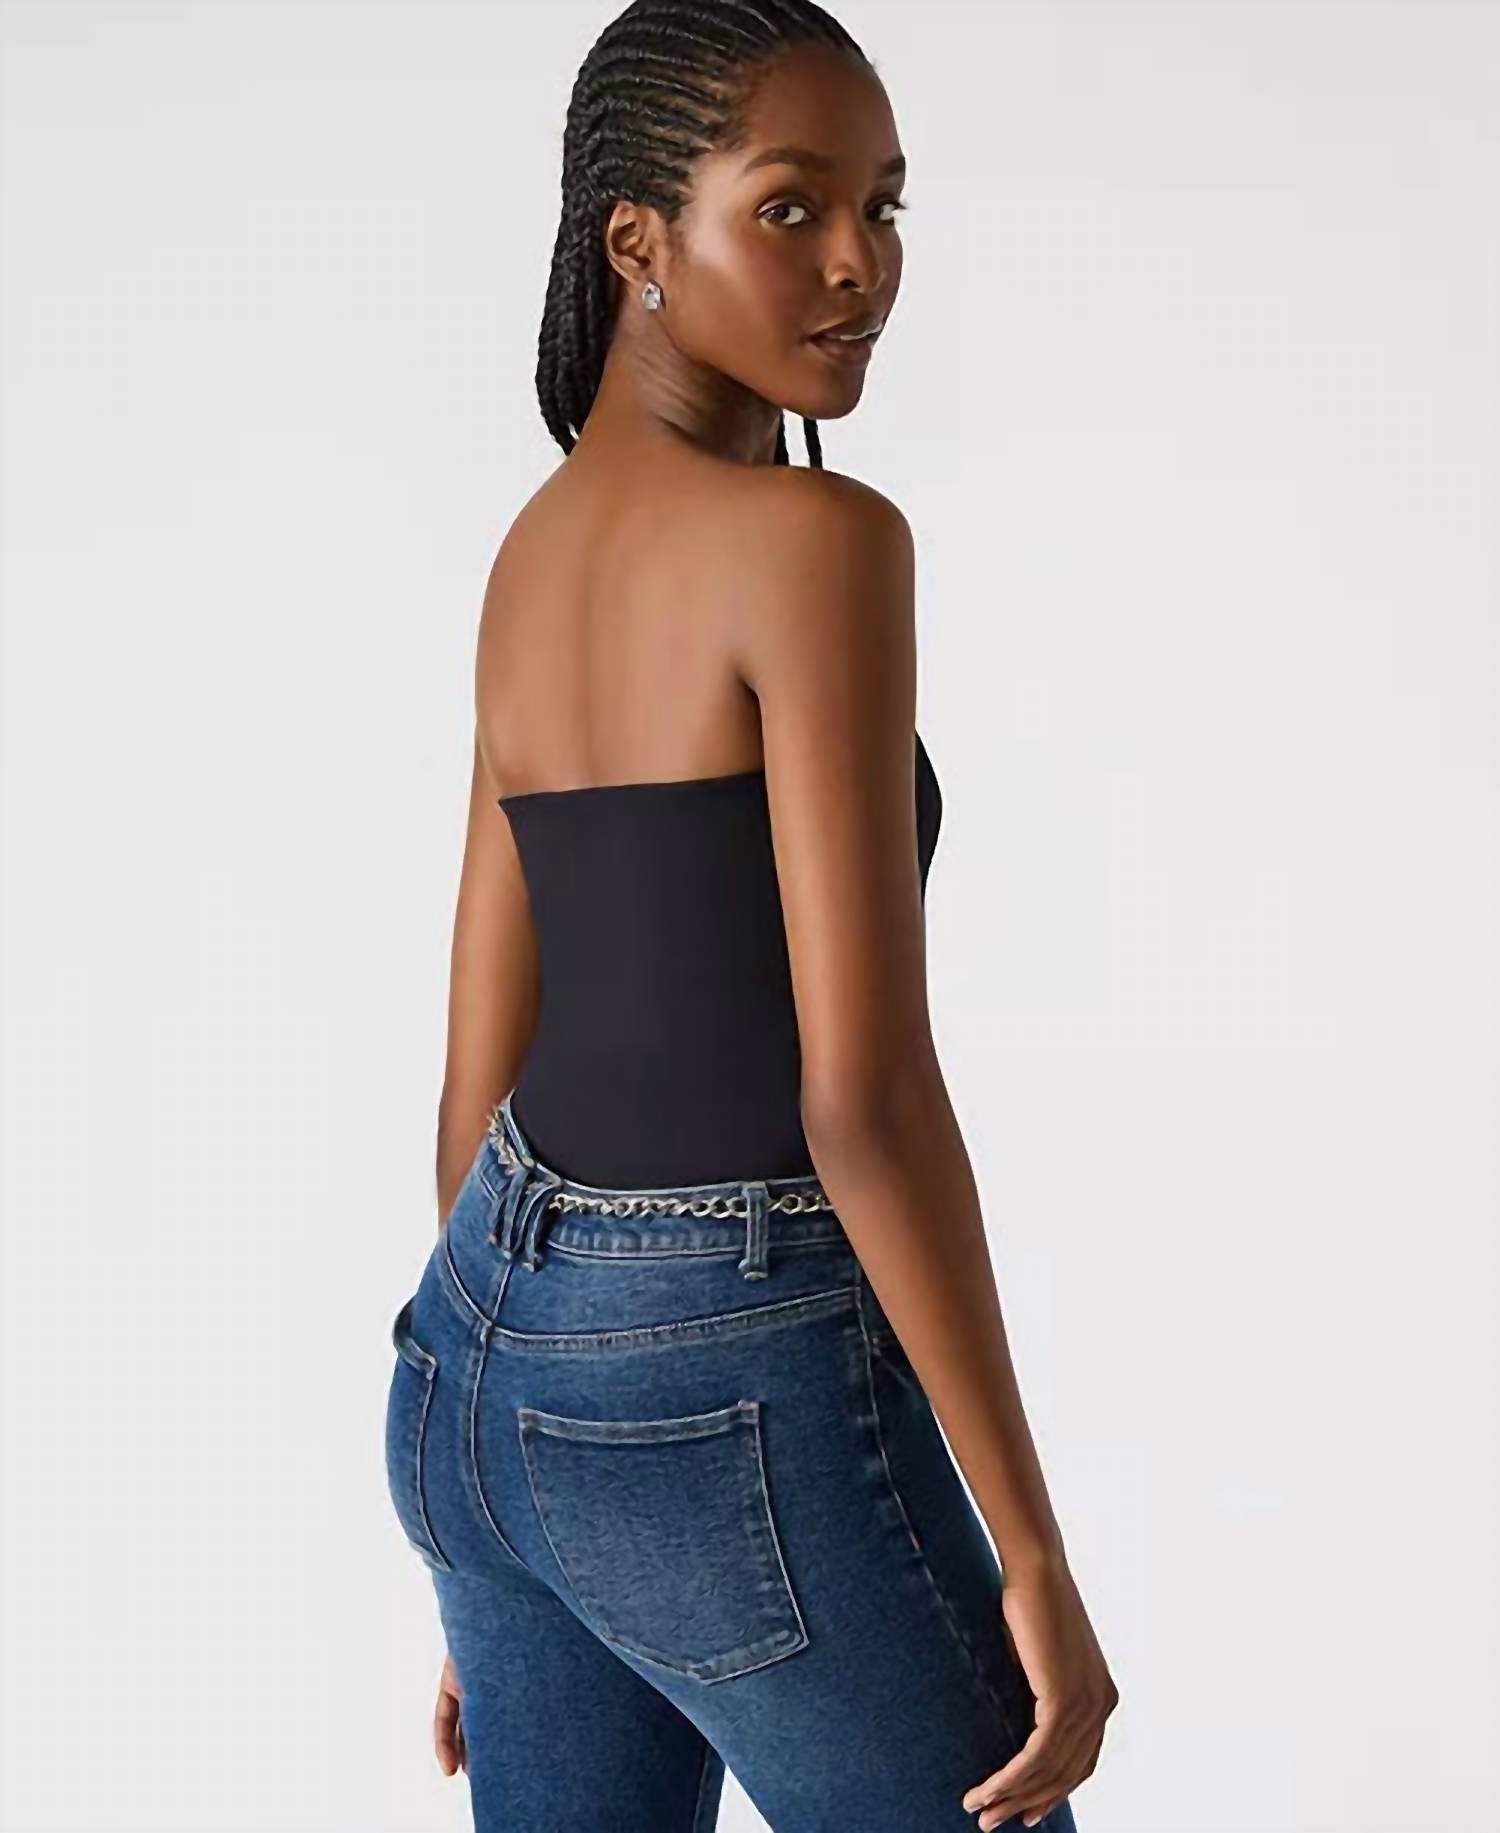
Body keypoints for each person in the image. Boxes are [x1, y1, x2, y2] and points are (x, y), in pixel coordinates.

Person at [382, 2, 1118, 1827]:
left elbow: (475, 1072)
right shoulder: (820, 545)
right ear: (637, 239)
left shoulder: (533, 549)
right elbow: (860, 1096)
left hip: (473, 1372)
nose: (859, 261)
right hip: (719, 1391)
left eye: (884, 206)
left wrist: (514, 1510)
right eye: (791, 208)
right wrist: (1028, 1545)